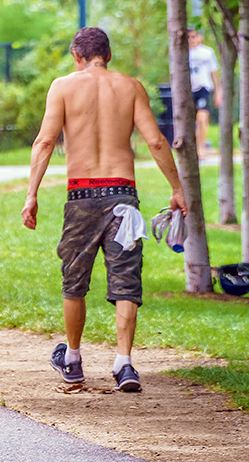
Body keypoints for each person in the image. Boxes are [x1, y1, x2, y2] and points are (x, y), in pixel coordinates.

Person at [23, 27, 186, 392]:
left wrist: (31, 195)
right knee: (126, 281)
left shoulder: (63, 87)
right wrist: (177, 189)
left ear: (77, 57)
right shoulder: (130, 87)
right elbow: (157, 142)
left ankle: (74, 359)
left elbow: (45, 141)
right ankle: (125, 364)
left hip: (81, 196)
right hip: (122, 196)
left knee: (74, 281)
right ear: (108, 55)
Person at [187, 27, 222, 159]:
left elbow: (214, 73)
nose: (192, 39)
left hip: (203, 88)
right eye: (189, 37)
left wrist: (218, 91)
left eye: (194, 36)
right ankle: (194, 147)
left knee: (202, 117)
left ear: (200, 37)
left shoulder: (207, 53)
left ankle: (202, 148)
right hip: (188, 89)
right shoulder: (183, 53)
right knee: (191, 120)